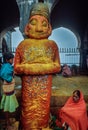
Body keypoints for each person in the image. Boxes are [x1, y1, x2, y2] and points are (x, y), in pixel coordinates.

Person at [14, 2, 61, 130]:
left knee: (42, 113)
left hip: (44, 89)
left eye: (44, 24)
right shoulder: (23, 45)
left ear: (49, 27)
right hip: (28, 90)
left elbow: (57, 67)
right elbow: (16, 68)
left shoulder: (52, 45)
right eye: (34, 23)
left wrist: (36, 68)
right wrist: (37, 68)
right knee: (28, 113)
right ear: (27, 27)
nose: (39, 28)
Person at [0, 52, 19, 129]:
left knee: (7, 106)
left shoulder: (6, 66)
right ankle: (8, 124)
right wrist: (10, 78)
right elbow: (3, 74)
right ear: (7, 60)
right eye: (12, 59)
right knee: (7, 107)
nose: (13, 60)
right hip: (8, 89)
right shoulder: (7, 66)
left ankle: (8, 121)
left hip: (8, 89)